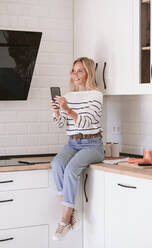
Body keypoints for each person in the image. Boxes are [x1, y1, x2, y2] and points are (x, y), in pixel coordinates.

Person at [49, 57, 104, 240]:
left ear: (88, 72)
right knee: (57, 164)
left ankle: (64, 219)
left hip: (92, 144)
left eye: (80, 70)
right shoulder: (69, 96)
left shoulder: (96, 95)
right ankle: (71, 209)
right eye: (73, 71)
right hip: (73, 143)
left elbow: (87, 121)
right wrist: (57, 111)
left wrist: (68, 109)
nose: (75, 74)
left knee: (72, 169)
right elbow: (62, 125)